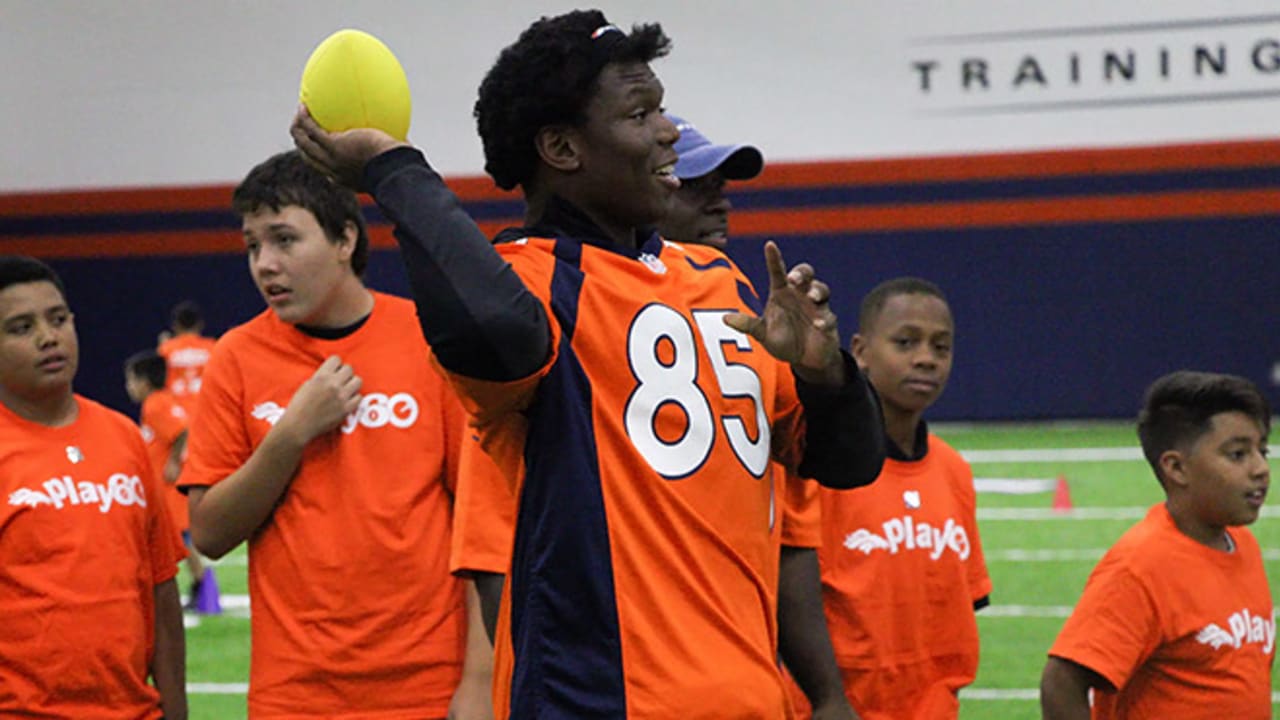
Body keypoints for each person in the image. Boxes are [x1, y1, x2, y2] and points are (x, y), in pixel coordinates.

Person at [292, 9, 886, 719]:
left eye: (661, 106)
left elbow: (850, 461)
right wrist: (393, 169)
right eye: (641, 113)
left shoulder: (717, 279)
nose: (668, 130)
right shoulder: (532, 281)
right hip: (596, 701)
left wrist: (826, 377)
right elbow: (494, 328)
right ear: (561, 148)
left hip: (750, 699)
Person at [177, 152, 492, 719]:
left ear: (345, 239)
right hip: (296, 695)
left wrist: (478, 680)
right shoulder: (237, 358)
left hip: (427, 685)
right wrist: (289, 435)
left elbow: (481, 524)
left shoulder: (426, 342)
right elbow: (209, 532)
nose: (264, 265)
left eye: (283, 240)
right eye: (252, 246)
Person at [657, 113, 856, 720]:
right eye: (695, 184)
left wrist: (826, 696)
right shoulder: (585, 307)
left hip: (744, 683)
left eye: (722, 183)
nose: (720, 200)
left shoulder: (740, 310)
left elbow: (793, 527)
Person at [0, 256, 187, 719]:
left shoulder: (123, 435)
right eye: (21, 327)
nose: (49, 337)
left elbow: (162, 592)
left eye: (58, 319)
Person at [1041, 370, 1273, 720]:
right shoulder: (1141, 566)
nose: (1261, 469)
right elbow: (1062, 681)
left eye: (1262, 450)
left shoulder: (1243, 544)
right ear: (1177, 468)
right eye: (1238, 455)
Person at [815, 277, 991, 719]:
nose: (926, 359)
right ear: (860, 350)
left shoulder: (953, 471)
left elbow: (963, 604)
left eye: (941, 347)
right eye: (906, 342)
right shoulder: (821, 472)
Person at [124, 348, 207, 609]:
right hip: (162, 484)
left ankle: (200, 585)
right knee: (177, 539)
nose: (129, 387)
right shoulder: (165, 400)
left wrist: (172, 462)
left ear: (144, 382)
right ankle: (198, 584)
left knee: (173, 539)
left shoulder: (155, 404)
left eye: (131, 380)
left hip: (165, 486)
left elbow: (181, 431)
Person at [156, 300, 217, 410]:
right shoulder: (213, 347)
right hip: (206, 408)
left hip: (177, 411)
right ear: (200, 324)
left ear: (175, 326)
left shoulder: (166, 349)